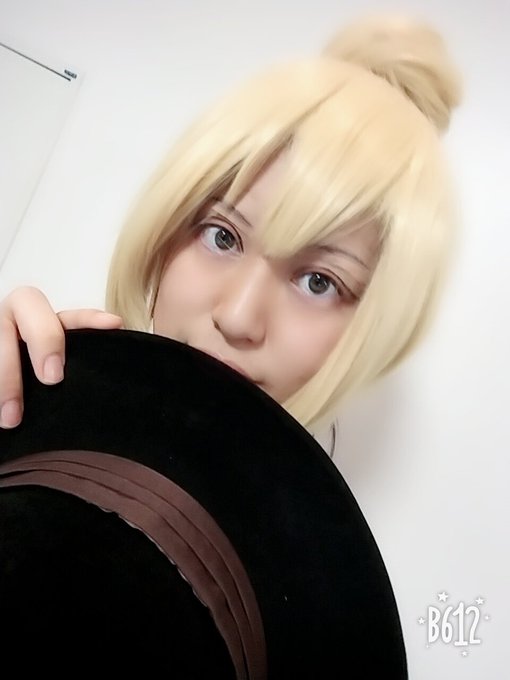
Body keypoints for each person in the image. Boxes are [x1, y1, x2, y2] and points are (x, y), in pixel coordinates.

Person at [0, 15, 462, 450]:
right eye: (221, 236)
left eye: (319, 282)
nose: (238, 318)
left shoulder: (305, 514)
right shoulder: (55, 404)